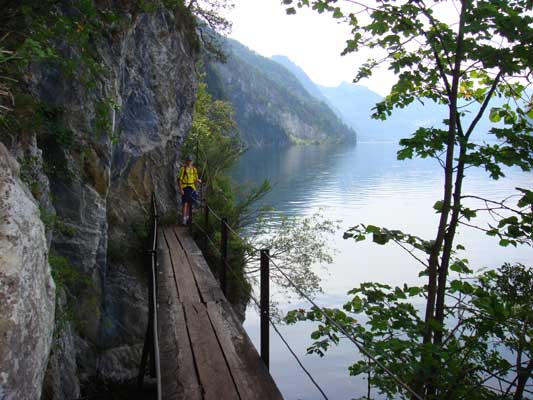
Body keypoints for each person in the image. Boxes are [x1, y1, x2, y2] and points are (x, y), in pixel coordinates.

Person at [177, 155, 201, 225]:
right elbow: (179, 180)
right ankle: (183, 220)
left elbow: (195, 179)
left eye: (190, 161)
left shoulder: (194, 169)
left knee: (190, 204)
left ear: (192, 161)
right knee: (185, 204)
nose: (189, 162)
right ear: (186, 161)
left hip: (192, 187)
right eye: (188, 160)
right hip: (185, 187)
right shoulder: (182, 169)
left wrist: (198, 180)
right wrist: (181, 189)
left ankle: (188, 218)